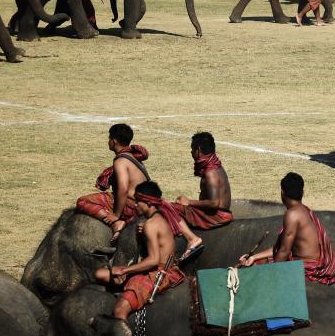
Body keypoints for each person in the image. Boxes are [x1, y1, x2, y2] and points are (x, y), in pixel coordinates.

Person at [94, 181, 186, 319]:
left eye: (138, 201)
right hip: (152, 268)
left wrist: (125, 270)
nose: (135, 205)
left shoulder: (150, 225)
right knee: (100, 273)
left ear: (148, 203)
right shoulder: (158, 218)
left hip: (159, 272)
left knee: (119, 310)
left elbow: (154, 260)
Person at [238, 173, 335, 285]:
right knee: (256, 262)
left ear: (282, 193)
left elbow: (284, 251)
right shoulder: (303, 210)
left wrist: (271, 275)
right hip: (306, 261)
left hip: (309, 268)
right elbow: (281, 248)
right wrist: (254, 257)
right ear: (302, 192)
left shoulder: (292, 214)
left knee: (257, 271)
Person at [75, 124, 151, 243]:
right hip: (144, 204)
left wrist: (116, 215)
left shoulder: (120, 161)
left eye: (109, 138)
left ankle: (117, 224)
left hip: (131, 205)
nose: (108, 141)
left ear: (114, 141)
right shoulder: (134, 157)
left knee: (82, 201)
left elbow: (123, 189)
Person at [172, 132, 233, 233]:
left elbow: (214, 203)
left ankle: (191, 239)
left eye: (192, 149)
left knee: (172, 208)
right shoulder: (216, 165)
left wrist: (189, 202)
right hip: (219, 213)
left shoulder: (210, 173)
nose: (191, 152)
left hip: (217, 217)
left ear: (199, 149)